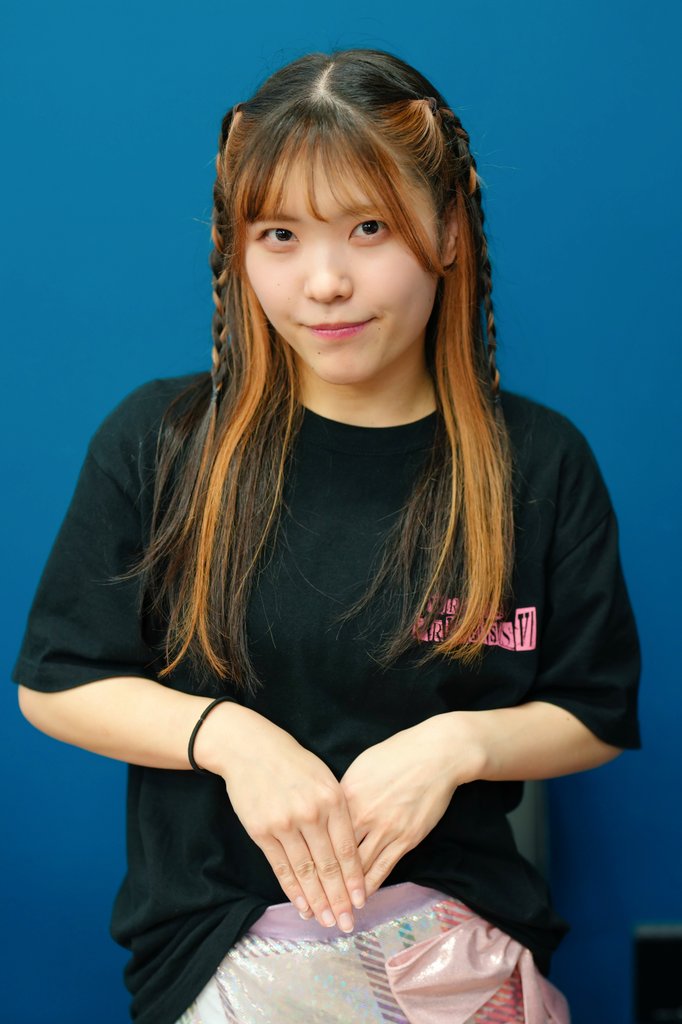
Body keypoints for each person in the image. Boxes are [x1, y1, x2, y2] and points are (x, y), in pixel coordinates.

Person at [13, 48, 640, 1024]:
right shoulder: (160, 441)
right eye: (279, 234)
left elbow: (595, 711)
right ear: (236, 248)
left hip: (464, 947)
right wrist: (230, 739)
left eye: (368, 228)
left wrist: (458, 744)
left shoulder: (539, 460)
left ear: (447, 231)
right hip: (217, 951)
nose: (324, 282)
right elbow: (57, 680)